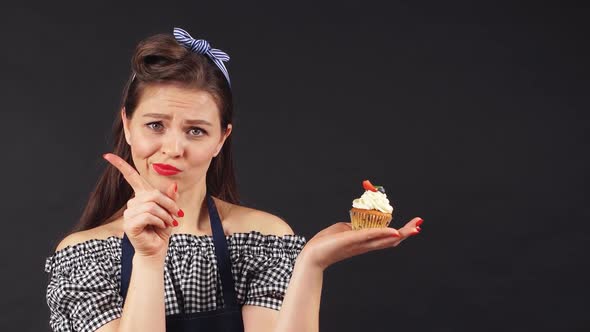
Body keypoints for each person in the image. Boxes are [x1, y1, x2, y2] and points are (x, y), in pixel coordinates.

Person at [44, 27, 424, 332]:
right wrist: (148, 258)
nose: (173, 147)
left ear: (221, 139)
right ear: (128, 126)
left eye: (195, 131)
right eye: (155, 125)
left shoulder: (263, 239)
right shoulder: (84, 256)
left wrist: (310, 265)